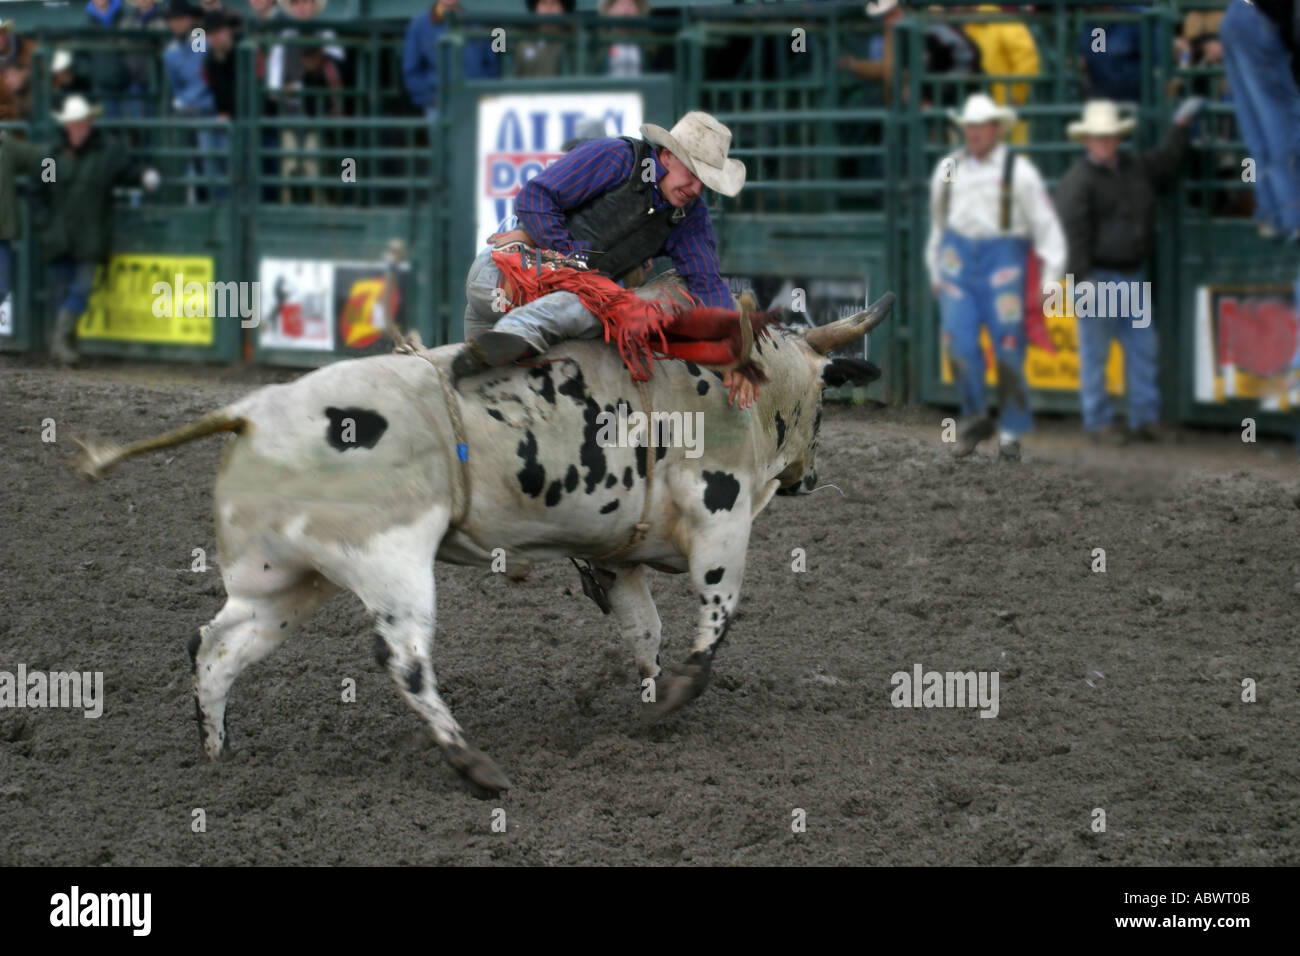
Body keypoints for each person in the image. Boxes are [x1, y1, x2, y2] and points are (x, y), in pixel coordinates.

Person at [451, 110, 759, 407]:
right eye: (692, 174)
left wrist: (732, 354)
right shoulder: (617, 158)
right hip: (502, 279)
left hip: (552, 306)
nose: (696, 189)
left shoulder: (689, 217)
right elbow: (534, 198)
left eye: (704, 182)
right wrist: (576, 270)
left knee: (479, 399)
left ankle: (495, 345)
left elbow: (706, 281)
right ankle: (514, 332)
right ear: (667, 156)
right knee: (609, 307)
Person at [925, 92, 1066, 460]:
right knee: (959, 343)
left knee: (1008, 347)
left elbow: (1046, 226)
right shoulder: (948, 170)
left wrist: (1050, 279)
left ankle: (1010, 431)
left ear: (995, 130)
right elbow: (938, 226)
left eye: (981, 126)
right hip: (958, 262)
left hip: (1004, 261)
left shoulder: (1019, 172)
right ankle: (974, 417)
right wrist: (935, 268)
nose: (974, 133)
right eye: (969, 126)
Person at [1055, 98, 1202, 443]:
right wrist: (1080, 280)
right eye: (1099, 137)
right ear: (1088, 140)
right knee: (1099, 353)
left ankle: (1139, 419)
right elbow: (1071, 234)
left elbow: (1167, 160)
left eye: (1109, 136)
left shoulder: (1129, 169)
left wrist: (1180, 126)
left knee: (1141, 348)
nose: (1105, 142)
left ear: (1117, 138)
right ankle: (1101, 422)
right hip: (1099, 277)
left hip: (1127, 275)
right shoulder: (1081, 181)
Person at [39, 95, 161, 364]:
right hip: (61, 234)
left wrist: (142, 176)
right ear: (68, 125)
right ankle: (65, 347)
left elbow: (126, 170)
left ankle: (60, 342)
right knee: (63, 290)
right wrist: (44, 223)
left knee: (79, 289)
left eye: (83, 122)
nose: (79, 127)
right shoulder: (54, 155)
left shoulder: (102, 153)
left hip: (87, 233)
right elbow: (41, 192)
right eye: (75, 123)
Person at [1220, 0, 1300, 241]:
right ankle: (1291, 217)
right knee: (1280, 130)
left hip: (1237, 16)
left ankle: (1271, 213)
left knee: (1256, 126)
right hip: (1260, 21)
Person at [402, 1, 500, 121]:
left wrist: (484, 94)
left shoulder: (477, 23)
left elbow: (492, 67)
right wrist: (431, 98)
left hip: (475, 103)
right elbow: (411, 71)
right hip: (439, 105)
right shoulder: (419, 25)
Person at [0, 129, 47, 332]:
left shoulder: (6, 146)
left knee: (2, 289)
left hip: (1, 235)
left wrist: (50, 184)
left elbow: (47, 156)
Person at [515, 0, 572, 78]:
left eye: (554, 3)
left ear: (563, 8)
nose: (549, 8)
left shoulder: (574, 43)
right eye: (544, 3)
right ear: (535, 8)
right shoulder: (524, 44)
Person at [0, 19, 35, 122]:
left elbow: (51, 73)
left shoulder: (30, 46)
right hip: (10, 126)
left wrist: (25, 75)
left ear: (6, 32)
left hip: (34, 120)